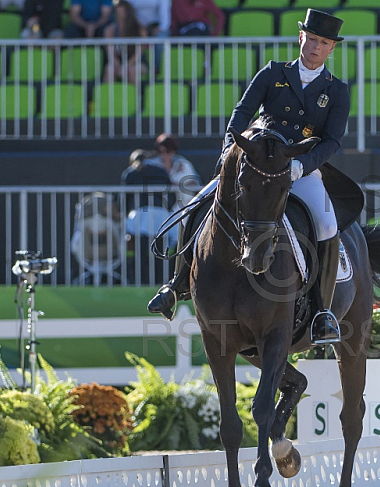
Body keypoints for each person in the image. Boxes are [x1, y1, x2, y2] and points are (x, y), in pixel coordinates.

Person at [148, 9, 349, 345]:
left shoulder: (337, 90)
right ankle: (176, 283)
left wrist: (303, 165)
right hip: (255, 162)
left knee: (327, 225)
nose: (315, 46)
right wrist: (231, 149)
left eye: (323, 42)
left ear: (331, 49)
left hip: (299, 167)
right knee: (198, 202)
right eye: (311, 38)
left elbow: (332, 141)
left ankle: (321, 312)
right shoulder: (273, 73)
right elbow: (241, 112)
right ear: (301, 38)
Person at [141, 133, 201, 209]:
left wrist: (176, 185)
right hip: (159, 207)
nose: (164, 155)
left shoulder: (183, 164)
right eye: (160, 151)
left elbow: (194, 182)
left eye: (167, 151)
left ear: (173, 151)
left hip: (182, 208)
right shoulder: (152, 164)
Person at [103, 0, 147, 83]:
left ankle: (136, 95)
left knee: (131, 70)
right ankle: (107, 95)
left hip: (137, 63)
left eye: (122, 12)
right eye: (118, 12)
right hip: (119, 62)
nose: (120, 15)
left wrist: (127, 65)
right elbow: (109, 51)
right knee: (109, 69)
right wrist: (117, 64)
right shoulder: (110, 30)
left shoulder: (139, 29)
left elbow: (140, 51)